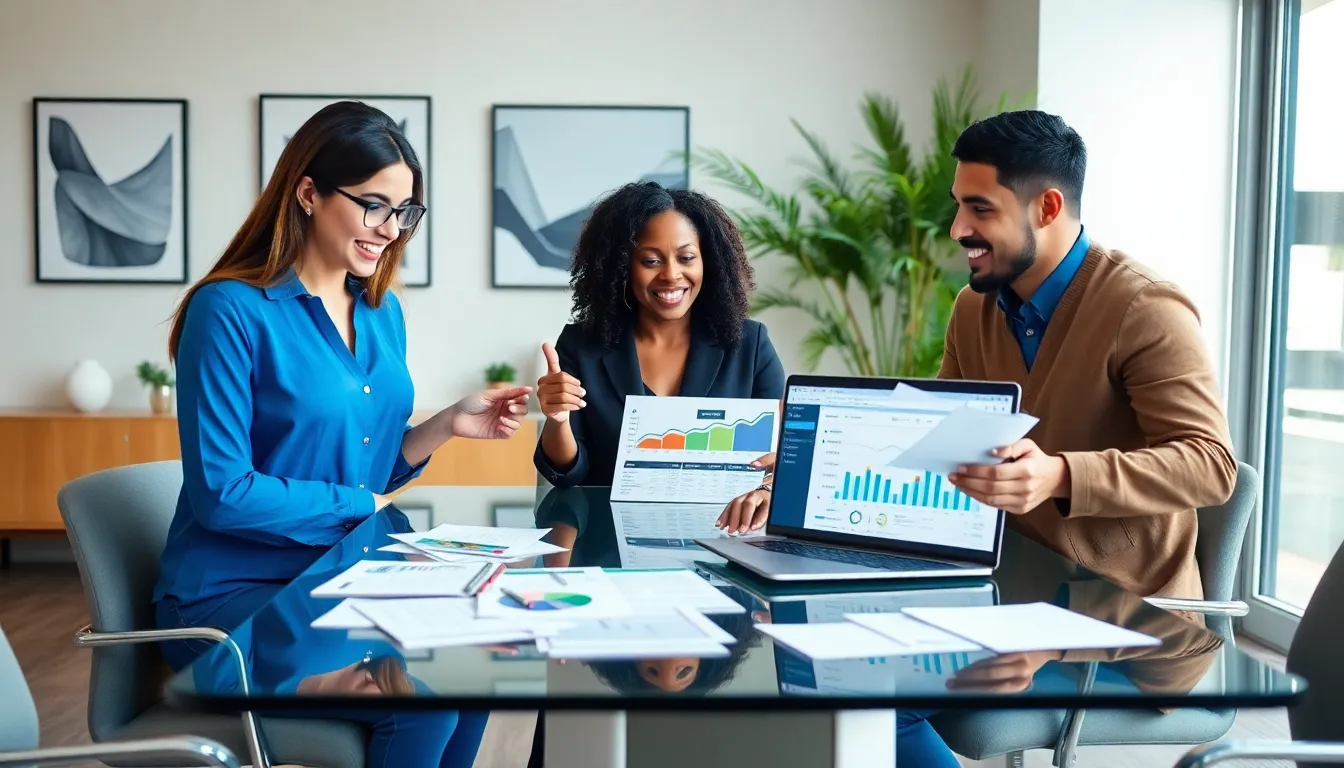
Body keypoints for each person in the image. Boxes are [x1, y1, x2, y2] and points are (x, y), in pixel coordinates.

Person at [723, 110, 1237, 766]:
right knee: (817, 664)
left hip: (1124, 615)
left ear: (1046, 207)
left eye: (979, 209)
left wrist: (1059, 475)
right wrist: (805, 472)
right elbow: (940, 435)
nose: (958, 229)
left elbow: (1210, 464)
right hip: (1003, 588)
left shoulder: (1145, 308)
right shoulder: (978, 307)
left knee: (860, 690)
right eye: (957, 206)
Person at [153, 101, 528, 767]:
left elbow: (367, 473)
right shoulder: (230, 310)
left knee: (474, 671)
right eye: (373, 205)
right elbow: (223, 493)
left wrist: (443, 426)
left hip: (345, 574)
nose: (390, 229)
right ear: (308, 193)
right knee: (424, 698)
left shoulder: (382, 315)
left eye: (405, 212)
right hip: (236, 599)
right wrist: (359, 507)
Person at [533, 180, 786, 490]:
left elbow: (782, 459)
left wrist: (769, 486)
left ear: (710, 262)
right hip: (608, 533)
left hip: (720, 531)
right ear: (623, 266)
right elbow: (569, 473)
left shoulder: (751, 344)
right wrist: (558, 421)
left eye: (686, 258)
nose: (671, 274)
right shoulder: (581, 346)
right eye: (651, 260)